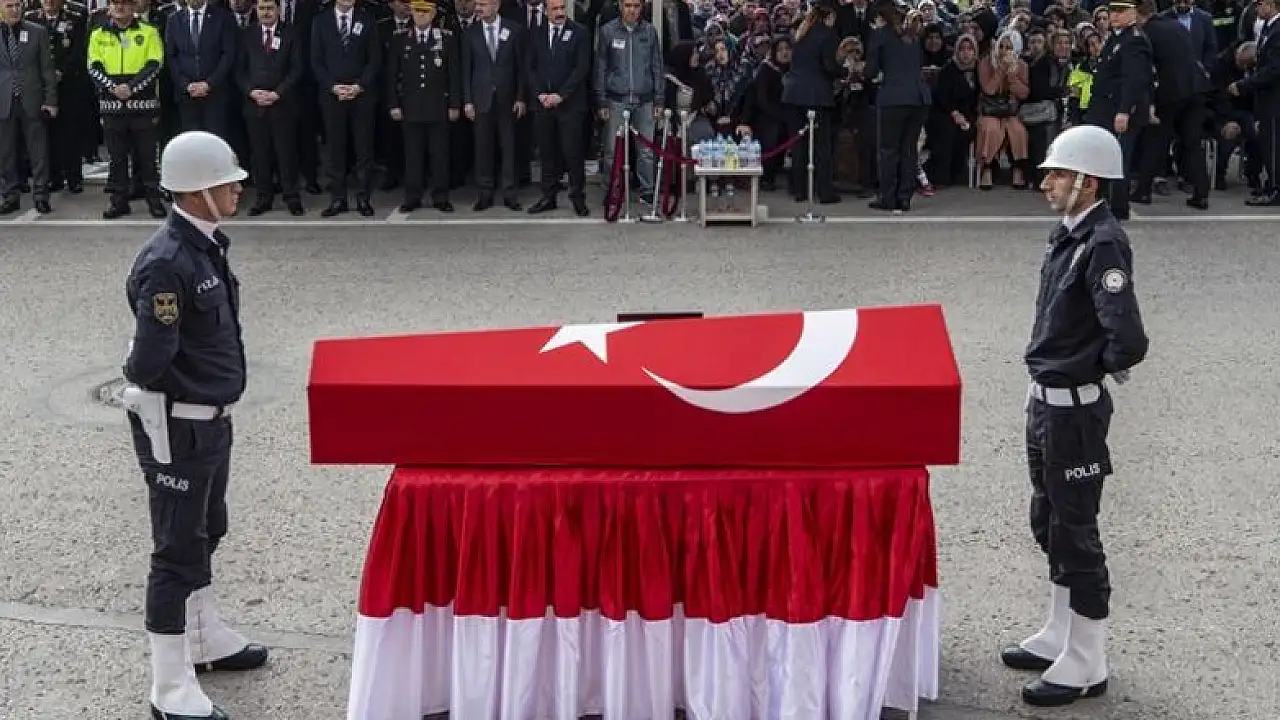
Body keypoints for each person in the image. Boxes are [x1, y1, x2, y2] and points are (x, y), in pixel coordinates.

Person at [1001, 124, 1149, 709]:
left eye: (1057, 174)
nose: (1046, 183)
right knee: (1050, 520)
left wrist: (1085, 371)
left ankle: (1087, 658)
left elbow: (1128, 339)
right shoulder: (1068, 233)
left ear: (1087, 181)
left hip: (1073, 412)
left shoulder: (1103, 243)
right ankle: (1060, 630)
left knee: (1077, 532)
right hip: (1046, 403)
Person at [122, 131, 267, 720]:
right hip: (179, 427)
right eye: (227, 181)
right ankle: (170, 687)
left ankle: (204, 639)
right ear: (197, 190)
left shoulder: (204, 246)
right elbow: (148, 360)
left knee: (208, 529)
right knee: (176, 552)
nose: (237, 188)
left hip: (210, 422)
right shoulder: (168, 262)